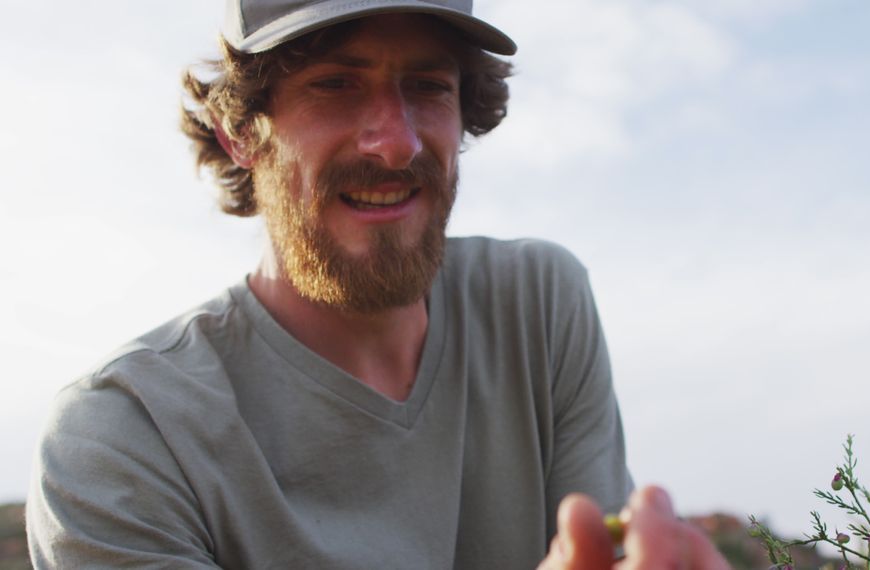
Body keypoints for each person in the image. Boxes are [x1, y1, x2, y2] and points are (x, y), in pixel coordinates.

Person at [26, 1, 730, 568]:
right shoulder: (123, 438)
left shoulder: (539, 306)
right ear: (240, 130)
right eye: (335, 83)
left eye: (428, 86)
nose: (396, 142)